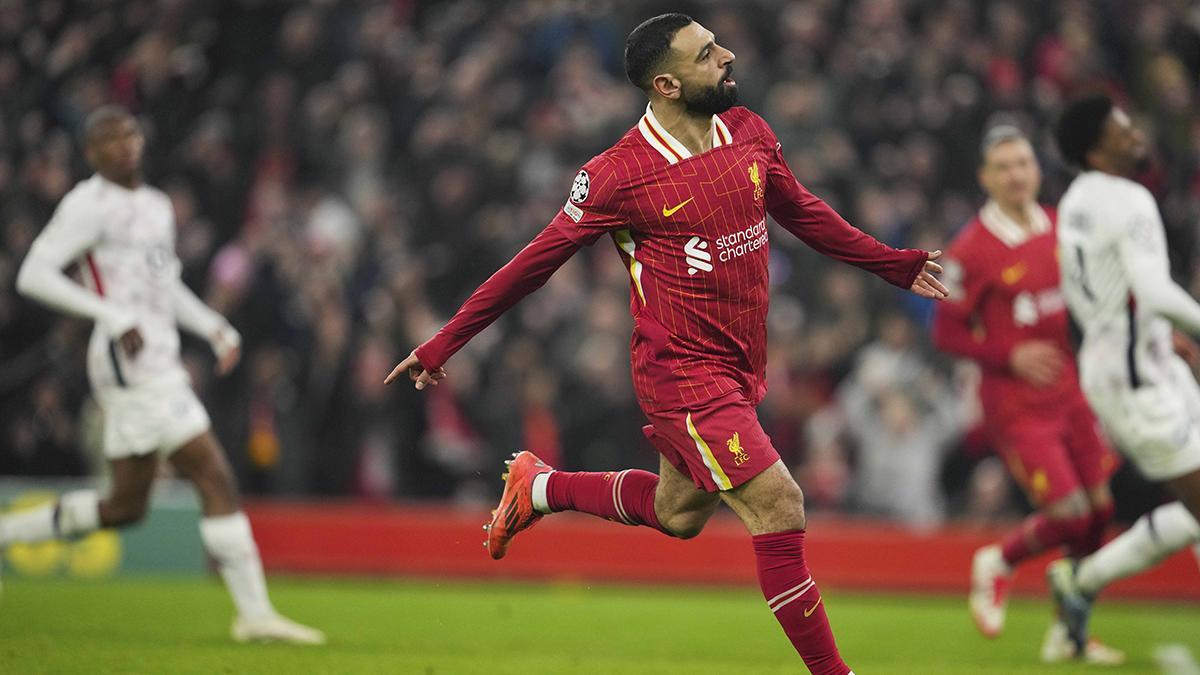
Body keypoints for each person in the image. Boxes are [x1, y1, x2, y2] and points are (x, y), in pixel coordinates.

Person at [385, 14, 947, 675]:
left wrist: (893, 263)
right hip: (682, 373)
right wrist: (443, 343)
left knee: (678, 513)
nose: (728, 55)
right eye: (706, 54)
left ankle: (539, 488)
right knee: (779, 503)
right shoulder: (619, 174)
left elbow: (802, 210)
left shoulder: (749, 131)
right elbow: (532, 264)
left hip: (741, 365)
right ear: (667, 84)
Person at [3, 106, 324, 645]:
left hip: (160, 356)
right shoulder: (88, 204)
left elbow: (164, 285)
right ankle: (254, 614)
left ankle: (8, 532)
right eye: (109, 139)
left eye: (128, 134)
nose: (123, 145)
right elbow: (33, 274)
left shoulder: (156, 205)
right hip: (127, 361)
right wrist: (109, 314)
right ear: (91, 153)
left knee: (126, 506)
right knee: (212, 473)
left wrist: (211, 325)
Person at [930, 126, 1122, 663]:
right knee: (1070, 512)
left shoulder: (1059, 227)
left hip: (1070, 391)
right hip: (1016, 406)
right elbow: (945, 332)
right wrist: (1008, 354)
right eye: (1004, 167)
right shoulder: (971, 249)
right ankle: (999, 561)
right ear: (985, 178)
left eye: (1023, 164)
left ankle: (1069, 631)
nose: (1016, 175)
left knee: (1100, 511)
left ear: (1037, 170)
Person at [1048, 93, 1200, 655]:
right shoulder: (1129, 198)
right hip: (1137, 383)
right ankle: (1080, 583)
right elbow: (1154, 292)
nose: (1135, 134)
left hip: (1135, 364)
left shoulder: (1076, 201)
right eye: (1121, 130)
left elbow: (1097, 294)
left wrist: (1156, 337)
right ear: (1095, 151)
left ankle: (1080, 582)